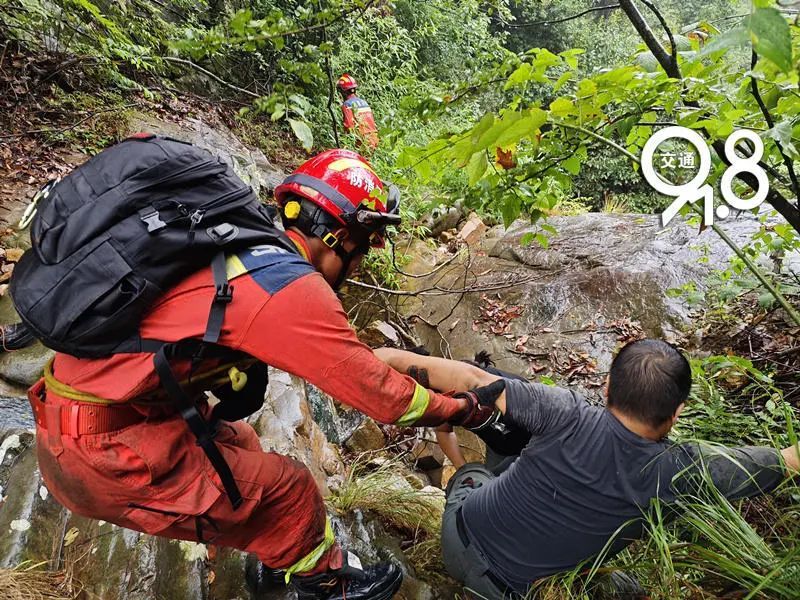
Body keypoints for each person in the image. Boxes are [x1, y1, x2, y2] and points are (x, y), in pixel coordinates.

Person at [29, 149, 498, 600]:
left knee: (244, 444)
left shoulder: (241, 251)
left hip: (86, 420)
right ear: (340, 235)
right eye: (364, 247)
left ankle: (282, 553)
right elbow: (382, 395)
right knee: (289, 490)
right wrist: (461, 410)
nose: (360, 263)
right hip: (104, 453)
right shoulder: (289, 287)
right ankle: (331, 584)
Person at [375, 340, 799, 599]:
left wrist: (387, 356)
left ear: (608, 387)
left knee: (475, 475)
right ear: (678, 413)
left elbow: (470, 378)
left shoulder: (566, 410)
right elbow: (786, 461)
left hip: (458, 541)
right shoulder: (680, 472)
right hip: (516, 592)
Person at [337, 74, 379, 151]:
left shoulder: (347, 105)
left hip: (362, 142)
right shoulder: (364, 103)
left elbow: (349, 126)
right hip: (374, 139)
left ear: (342, 91)